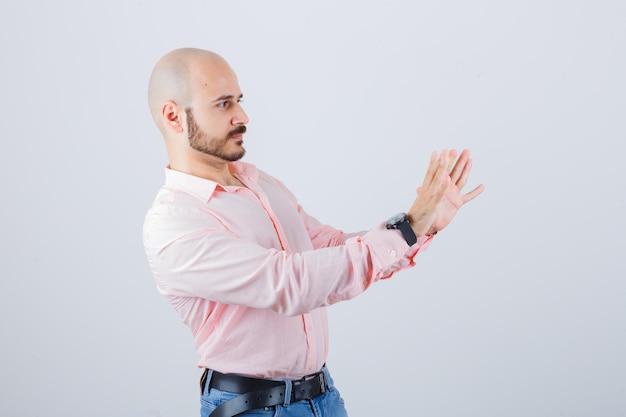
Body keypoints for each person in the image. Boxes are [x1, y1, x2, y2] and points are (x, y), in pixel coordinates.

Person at [143, 47, 484, 417]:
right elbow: (291, 283)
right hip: (252, 409)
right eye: (224, 104)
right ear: (174, 116)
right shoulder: (174, 222)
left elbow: (330, 247)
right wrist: (408, 227)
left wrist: (421, 227)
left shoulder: (262, 184)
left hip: (324, 397)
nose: (243, 116)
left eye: (239, 101)